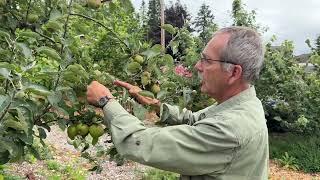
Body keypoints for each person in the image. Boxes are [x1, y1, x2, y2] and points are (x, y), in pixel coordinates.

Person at [86, 26, 269, 180]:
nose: (198, 66)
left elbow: (141, 143)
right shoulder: (244, 105)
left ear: (234, 73)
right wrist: (156, 104)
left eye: (206, 60)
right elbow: (194, 120)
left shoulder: (230, 129)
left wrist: (105, 100)